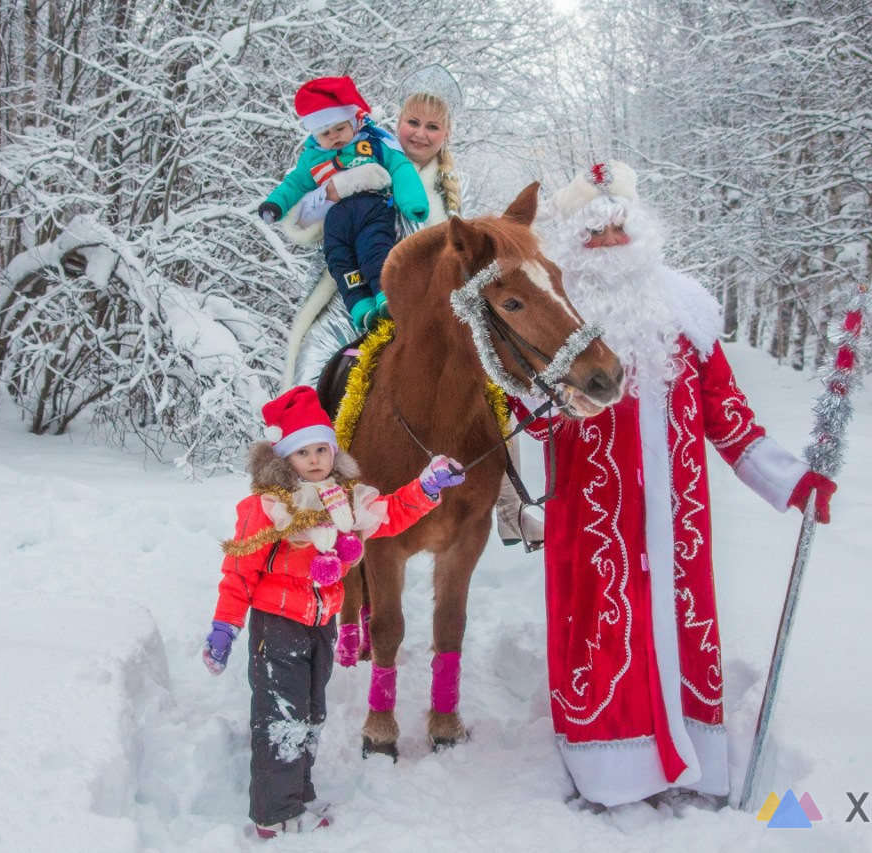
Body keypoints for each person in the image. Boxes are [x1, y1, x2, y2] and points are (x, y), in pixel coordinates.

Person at [518, 162, 838, 809]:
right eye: (594, 233)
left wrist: (792, 482)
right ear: (573, 243)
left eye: (617, 229)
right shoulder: (557, 314)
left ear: (639, 232)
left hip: (675, 522)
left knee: (677, 631)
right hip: (594, 520)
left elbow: (726, 411)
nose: (609, 242)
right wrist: (552, 406)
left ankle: (690, 758)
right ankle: (610, 773)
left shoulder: (684, 309)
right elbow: (524, 408)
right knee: (603, 637)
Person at [275, 66, 542, 554]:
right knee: (309, 387)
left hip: (423, 312)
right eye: (412, 122)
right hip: (351, 298)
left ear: (446, 135)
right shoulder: (353, 149)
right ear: (396, 121)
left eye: (432, 127)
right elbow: (297, 221)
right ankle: (306, 513)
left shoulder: (446, 191)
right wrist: (338, 188)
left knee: (487, 386)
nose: (420, 134)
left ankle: (511, 506)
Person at [201, 385, 463, 838]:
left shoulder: (345, 501)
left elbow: (391, 512)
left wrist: (426, 485)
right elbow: (238, 571)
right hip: (276, 627)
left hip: (320, 625)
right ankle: (272, 815)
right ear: (284, 459)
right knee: (279, 719)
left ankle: (297, 795)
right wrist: (225, 627)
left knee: (308, 713)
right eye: (304, 452)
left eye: (322, 448)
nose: (316, 459)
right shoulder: (267, 508)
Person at [258, 76, 430, 334]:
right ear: (316, 135)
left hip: (371, 209)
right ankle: (361, 308)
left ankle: (387, 296)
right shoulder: (312, 159)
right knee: (340, 261)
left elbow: (400, 167)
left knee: (375, 250)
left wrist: (412, 202)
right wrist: (275, 205)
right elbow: (294, 185)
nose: (334, 137)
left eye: (340, 128)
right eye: (326, 133)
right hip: (335, 220)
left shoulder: (372, 144)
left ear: (353, 121)